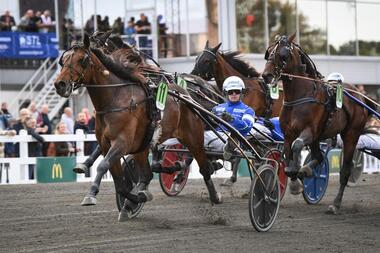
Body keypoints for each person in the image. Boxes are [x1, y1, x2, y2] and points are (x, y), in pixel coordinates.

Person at [204, 76, 255, 157]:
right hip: (214, 135)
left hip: (232, 138)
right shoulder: (217, 108)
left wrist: (232, 119)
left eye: (237, 91)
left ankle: (230, 147)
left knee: (230, 139)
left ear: (242, 92)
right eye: (230, 92)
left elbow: (247, 127)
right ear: (225, 92)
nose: (234, 94)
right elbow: (208, 124)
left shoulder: (248, 110)